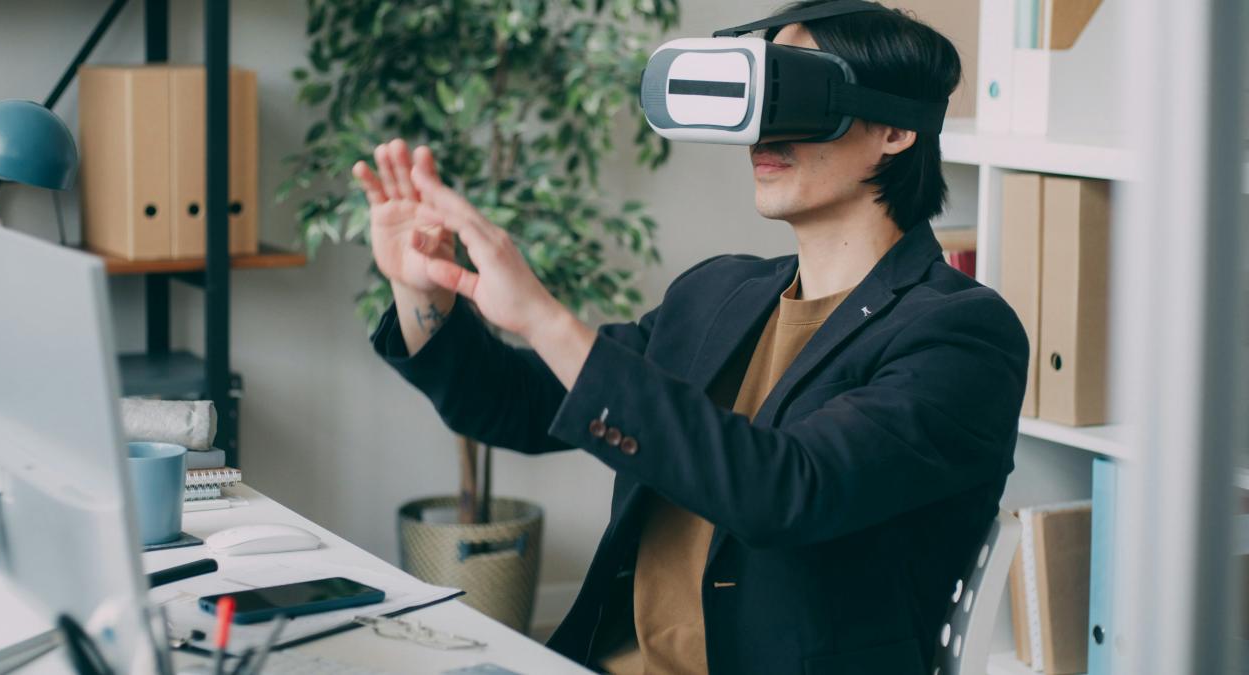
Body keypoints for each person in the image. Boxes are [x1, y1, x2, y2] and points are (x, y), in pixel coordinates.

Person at [354, 2, 1027, 672]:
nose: (763, 131)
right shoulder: (718, 294)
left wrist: (543, 315)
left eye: (793, 93)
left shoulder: (961, 335)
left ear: (895, 130)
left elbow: (786, 490)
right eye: (757, 94)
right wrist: (424, 291)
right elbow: (519, 403)